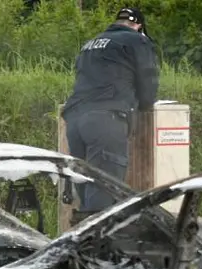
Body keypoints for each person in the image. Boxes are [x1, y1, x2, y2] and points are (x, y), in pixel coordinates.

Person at [61, 7, 159, 224]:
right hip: (105, 120)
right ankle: (98, 252)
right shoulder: (136, 41)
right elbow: (148, 80)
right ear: (139, 27)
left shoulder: (90, 43)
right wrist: (145, 106)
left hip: (75, 121)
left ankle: (81, 247)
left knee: (86, 186)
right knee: (104, 191)